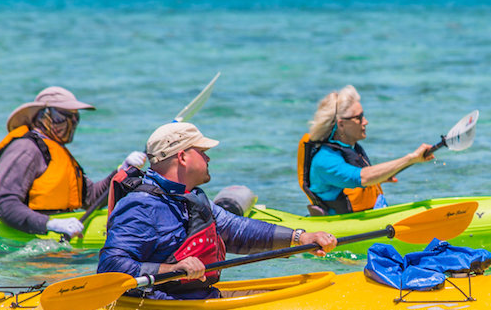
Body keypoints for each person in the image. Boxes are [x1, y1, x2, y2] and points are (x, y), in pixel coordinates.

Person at [98, 122, 337, 300]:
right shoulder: (141, 206)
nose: (208, 157)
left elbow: (236, 230)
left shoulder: (189, 197)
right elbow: (110, 266)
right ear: (182, 157)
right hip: (165, 308)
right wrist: (172, 270)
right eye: (202, 151)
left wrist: (300, 238)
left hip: (199, 298)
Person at [0, 86, 145, 239]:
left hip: (60, 224)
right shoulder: (25, 149)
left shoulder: (58, 151)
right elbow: (5, 205)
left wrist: (122, 172)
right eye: (62, 116)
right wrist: (51, 224)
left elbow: (91, 198)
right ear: (41, 116)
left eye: (75, 117)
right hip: (32, 229)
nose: (71, 122)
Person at [298, 85, 434, 215]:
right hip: (342, 229)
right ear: (341, 124)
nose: (365, 121)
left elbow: (360, 177)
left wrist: (382, 176)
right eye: (359, 118)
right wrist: (411, 158)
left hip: (365, 217)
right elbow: (364, 177)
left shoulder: (349, 148)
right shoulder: (325, 160)